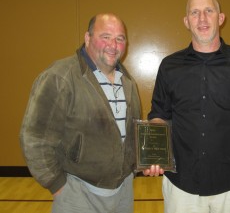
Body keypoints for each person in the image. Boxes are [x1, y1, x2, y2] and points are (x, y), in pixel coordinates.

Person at [145, 0, 230, 213]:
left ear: (220, 18)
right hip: (181, 188)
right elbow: (159, 116)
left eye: (208, 11)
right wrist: (154, 153)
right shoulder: (169, 66)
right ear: (186, 21)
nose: (202, 19)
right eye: (194, 13)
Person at [20, 13, 141, 213]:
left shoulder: (127, 81)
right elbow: (34, 138)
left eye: (120, 39)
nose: (113, 44)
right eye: (106, 37)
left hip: (123, 191)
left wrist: (142, 162)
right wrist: (57, 185)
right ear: (87, 38)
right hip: (77, 193)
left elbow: (131, 134)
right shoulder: (60, 76)